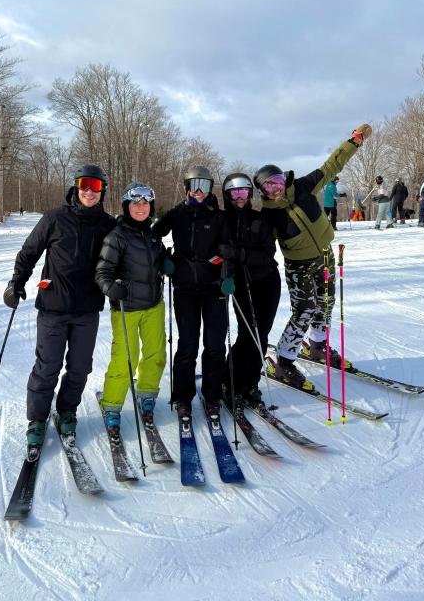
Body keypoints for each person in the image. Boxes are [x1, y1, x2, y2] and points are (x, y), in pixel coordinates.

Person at [3, 164, 116, 460]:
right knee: (47, 366)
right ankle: (37, 420)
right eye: (84, 185)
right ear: (76, 188)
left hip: (87, 309)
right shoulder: (54, 218)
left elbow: (122, 258)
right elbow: (29, 252)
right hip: (53, 306)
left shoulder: (107, 224)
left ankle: (67, 412)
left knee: (80, 368)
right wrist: (16, 283)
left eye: (95, 185)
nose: (89, 191)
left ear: (103, 190)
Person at [254, 124, 372, 387]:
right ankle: (284, 360)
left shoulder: (304, 186)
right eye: (268, 188)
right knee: (305, 310)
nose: (275, 190)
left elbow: (332, 166)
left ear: (284, 179)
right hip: (299, 266)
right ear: (262, 193)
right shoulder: (269, 216)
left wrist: (354, 142)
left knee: (327, 302)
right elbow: (259, 246)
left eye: (277, 183)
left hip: (325, 254)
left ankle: (318, 345)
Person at [152, 166, 234, 423]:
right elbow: (152, 236)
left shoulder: (219, 216)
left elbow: (229, 248)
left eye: (205, 186)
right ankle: (183, 396)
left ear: (211, 189)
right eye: (194, 185)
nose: (199, 191)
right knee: (187, 344)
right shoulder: (177, 214)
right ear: (186, 188)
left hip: (214, 288)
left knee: (215, 344)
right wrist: (166, 258)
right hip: (185, 287)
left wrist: (227, 273)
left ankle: (212, 394)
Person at [95, 182, 169, 441]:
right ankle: (112, 405)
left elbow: (156, 263)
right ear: (127, 207)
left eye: (145, 204)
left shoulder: (152, 236)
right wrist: (109, 288)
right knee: (125, 358)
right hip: (126, 307)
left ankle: (147, 396)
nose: (141, 208)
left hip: (153, 305)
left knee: (156, 353)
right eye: (135, 204)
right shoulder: (116, 236)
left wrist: (167, 262)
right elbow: (102, 272)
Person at [220, 172, 280, 409]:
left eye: (244, 192)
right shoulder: (222, 220)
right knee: (247, 334)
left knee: (260, 334)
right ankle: (230, 380)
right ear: (227, 195)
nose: (239, 197)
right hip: (241, 283)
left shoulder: (260, 219)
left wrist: (242, 254)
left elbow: (268, 253)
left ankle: (251, 383)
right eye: (234, 193)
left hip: (266, 281)